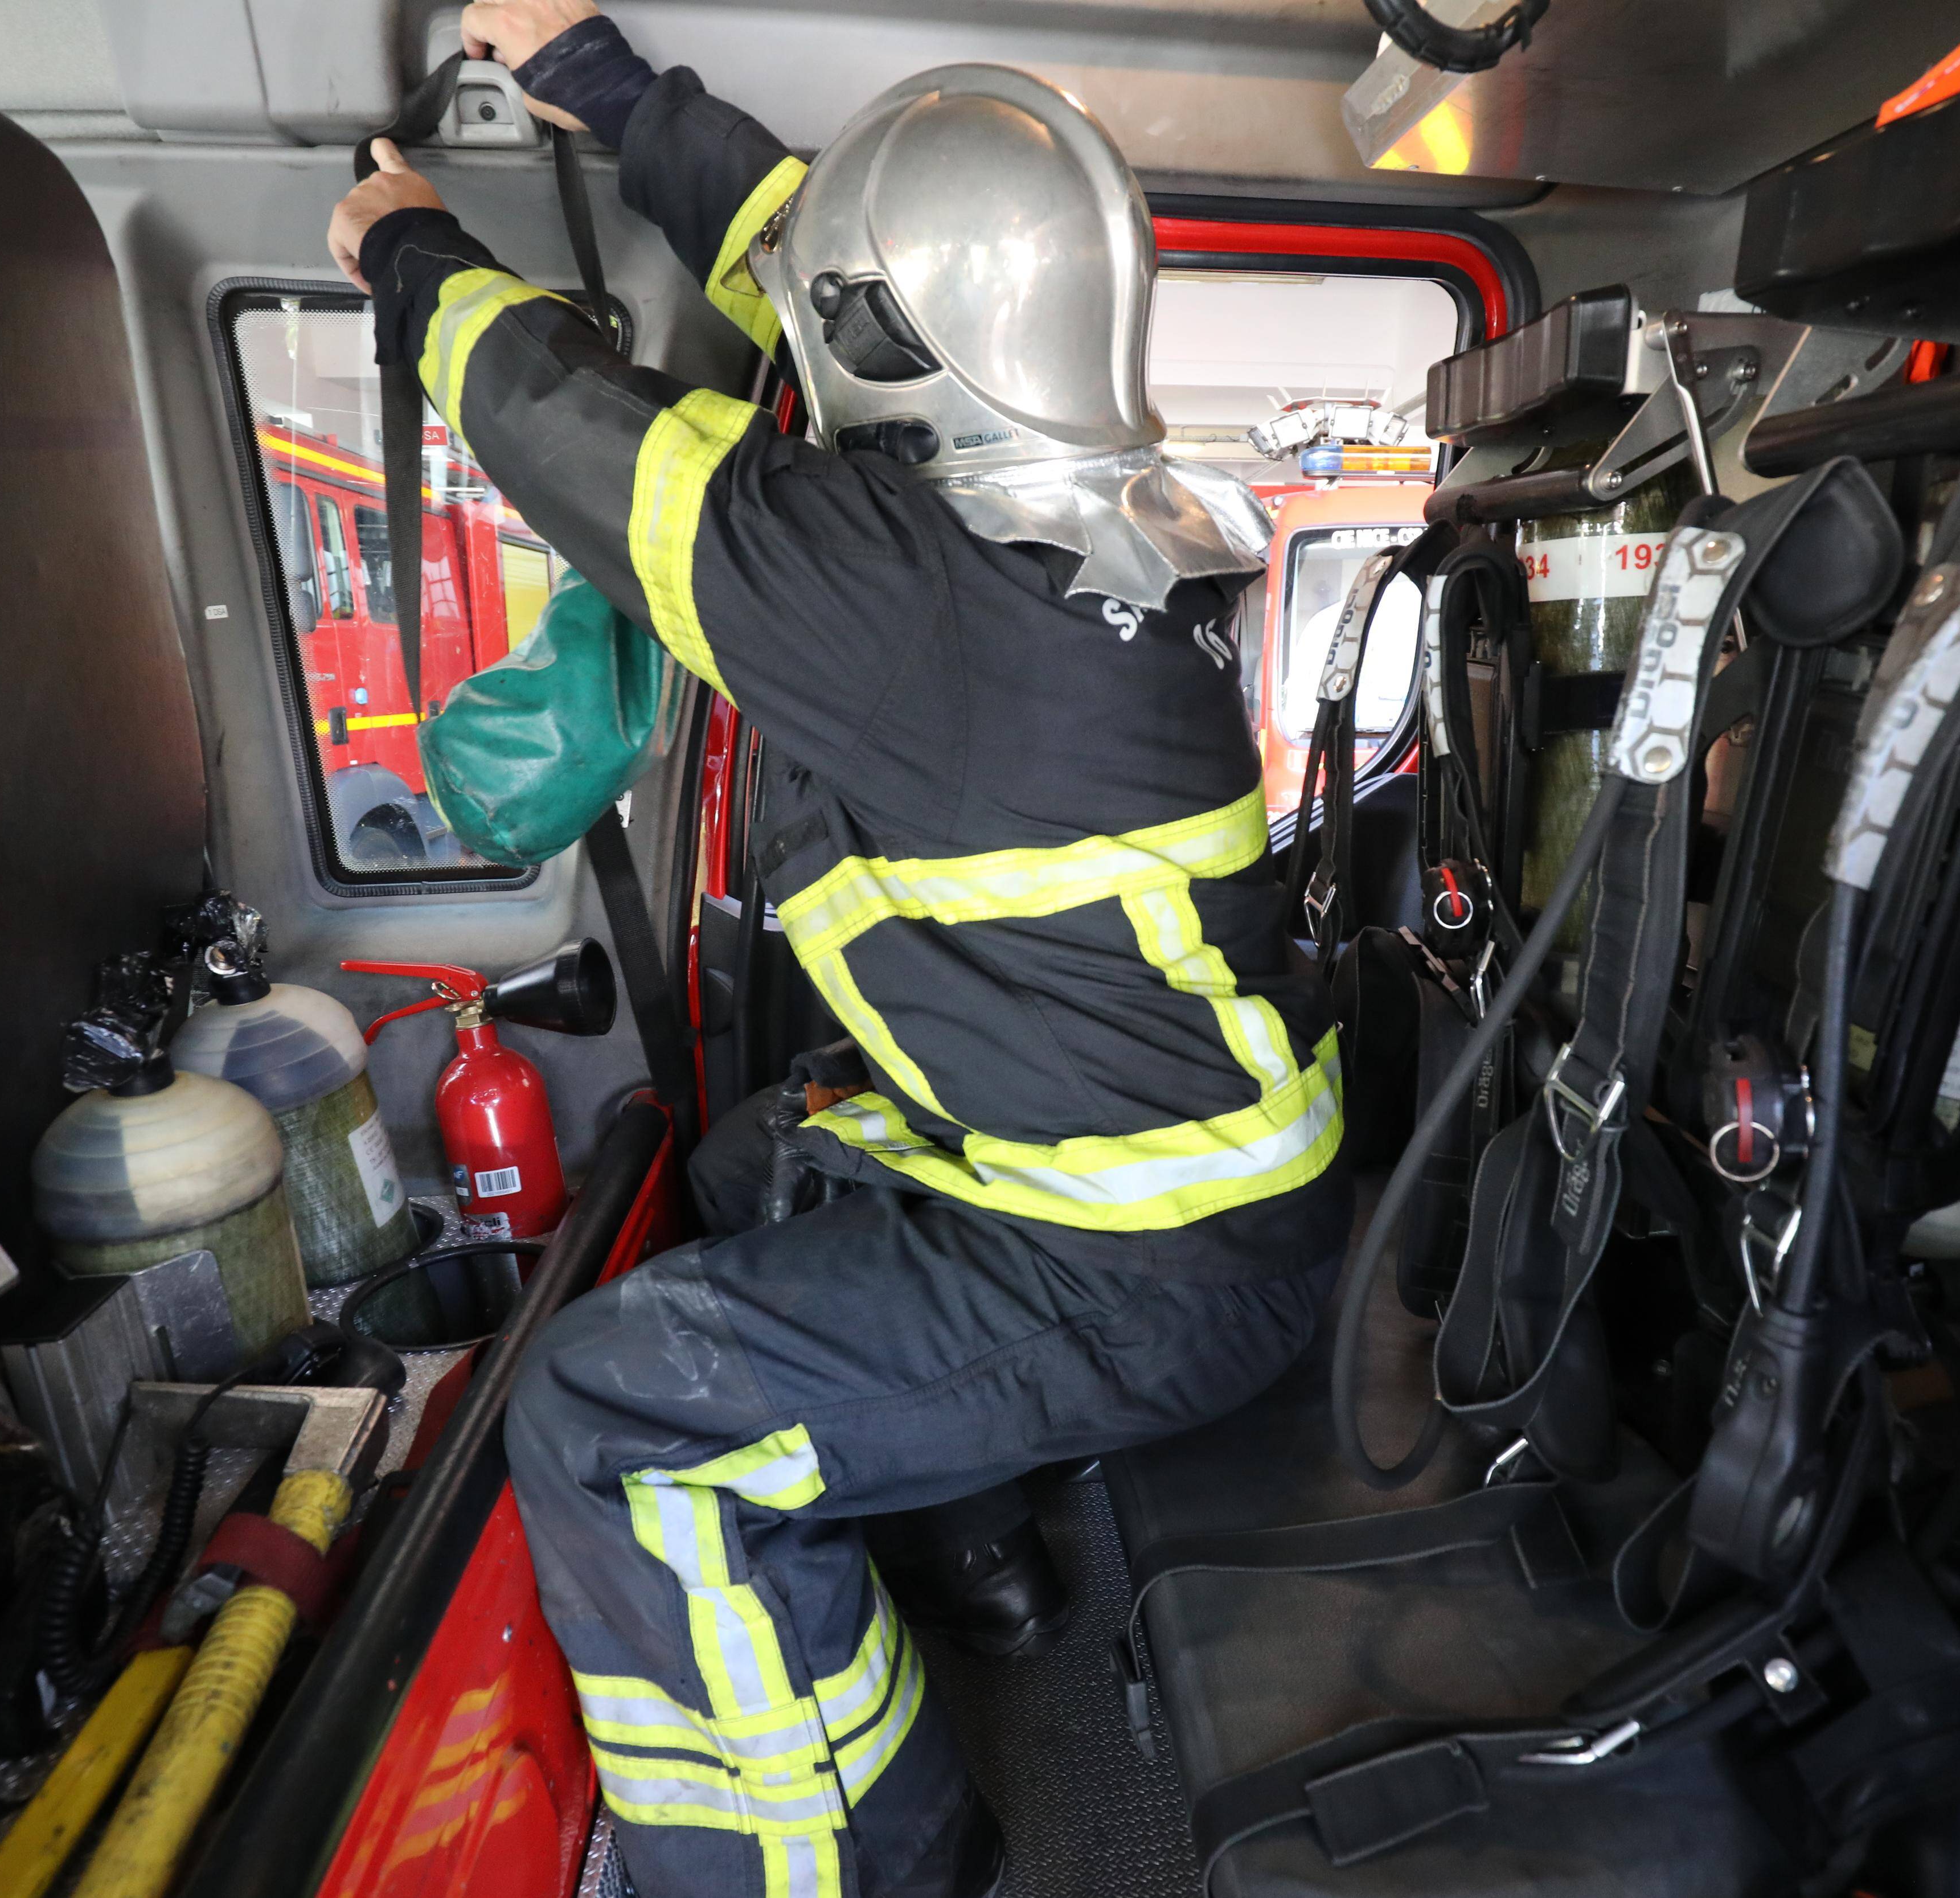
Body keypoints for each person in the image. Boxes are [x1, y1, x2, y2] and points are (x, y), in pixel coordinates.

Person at [329, 6, 1351, 1892]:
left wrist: (404, 252)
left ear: (889, 338)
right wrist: (604, 86)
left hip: (1137, 1267)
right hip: (1186, 1202)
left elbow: (579, 431)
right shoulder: (1112, 533)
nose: (808, 334)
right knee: (755, 1158)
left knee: (620, 1420)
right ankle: (980, 1557)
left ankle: (852, 1862)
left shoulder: (903, 589)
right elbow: (826, 260)